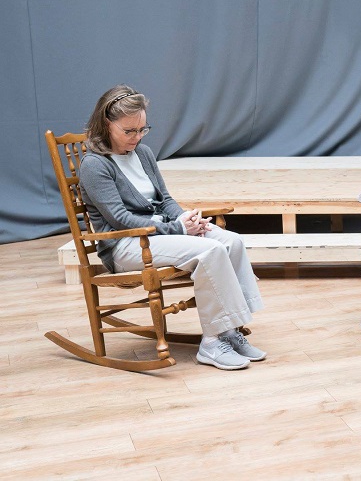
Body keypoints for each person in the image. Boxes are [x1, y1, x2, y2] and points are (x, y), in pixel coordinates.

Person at [79, 85, 266, 371]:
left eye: (142, 129)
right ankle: (212, 344)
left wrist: (188, 219)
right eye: (129, 131)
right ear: (107, 124)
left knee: (232, 241)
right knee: (210, 251)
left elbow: (164, 199)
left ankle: (229, 331)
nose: (137, 137)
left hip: (158, 233)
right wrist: (178, 228)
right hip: (126, 244)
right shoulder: (95, 165)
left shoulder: (143, 153)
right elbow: (120, 219)